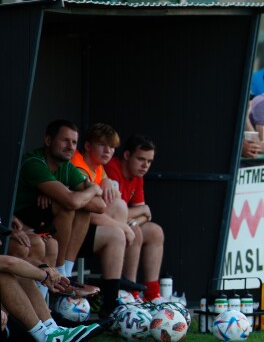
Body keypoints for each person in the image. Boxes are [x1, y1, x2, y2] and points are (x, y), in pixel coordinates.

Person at [14, 120, 105, 284]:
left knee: (82, 208)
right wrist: (92, 189)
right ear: (48, 141)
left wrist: (64, 192)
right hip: (19, 219)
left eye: (74, 142)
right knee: (67, 206)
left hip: (44, 219)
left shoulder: (67, 167)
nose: (71, 146)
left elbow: (100, 206)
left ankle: (66, 271)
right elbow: (71, 202)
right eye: (65, 140)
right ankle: (62, 271)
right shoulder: (34, 162)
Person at [70, 124, 132, 310]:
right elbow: (88, 214)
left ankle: (116, 288)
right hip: (67, 236)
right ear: (88, 146)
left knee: (118, 205)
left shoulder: (98, 167)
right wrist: (124, 227)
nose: (108, 151)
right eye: (102, 145)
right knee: (117, 235)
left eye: (112, 147)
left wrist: (105, 179)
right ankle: (111, 302)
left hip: (81, 231)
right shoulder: (78, 165)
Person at [104, 135, 165, 302]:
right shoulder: (112, 169)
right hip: (104, 223)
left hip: (122, 223)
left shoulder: (138, 175)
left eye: (149, 161)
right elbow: (112, 211)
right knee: (135, 231)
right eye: (141, 159)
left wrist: (137, 218)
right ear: (126, 155)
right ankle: (130, 292)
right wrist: (139, 215)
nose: (145, 165)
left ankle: (152, 294)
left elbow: (145, 215)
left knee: (155, 231)